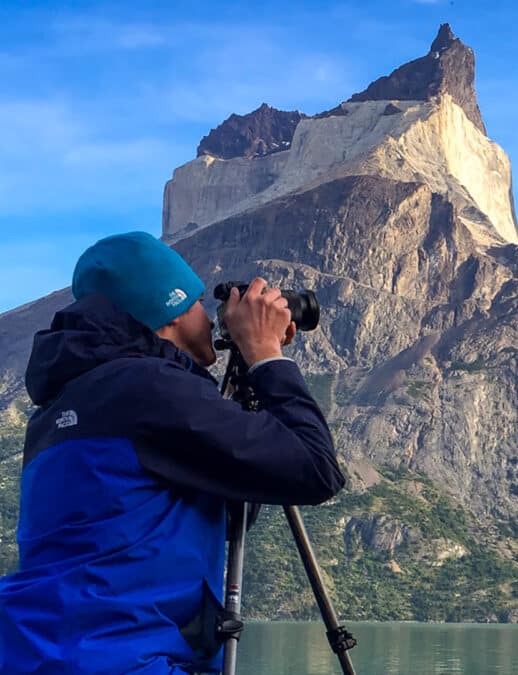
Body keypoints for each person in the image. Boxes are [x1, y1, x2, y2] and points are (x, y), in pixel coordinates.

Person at [0, 232, 346, 674]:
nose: (209, 317)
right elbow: (313, 467)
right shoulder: (149, 390)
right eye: (198, 303)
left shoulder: (59, 406)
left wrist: (242, 399)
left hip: (38, 654)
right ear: (171, 310)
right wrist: (265, 355)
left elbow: (228, 505)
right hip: (129, 661)